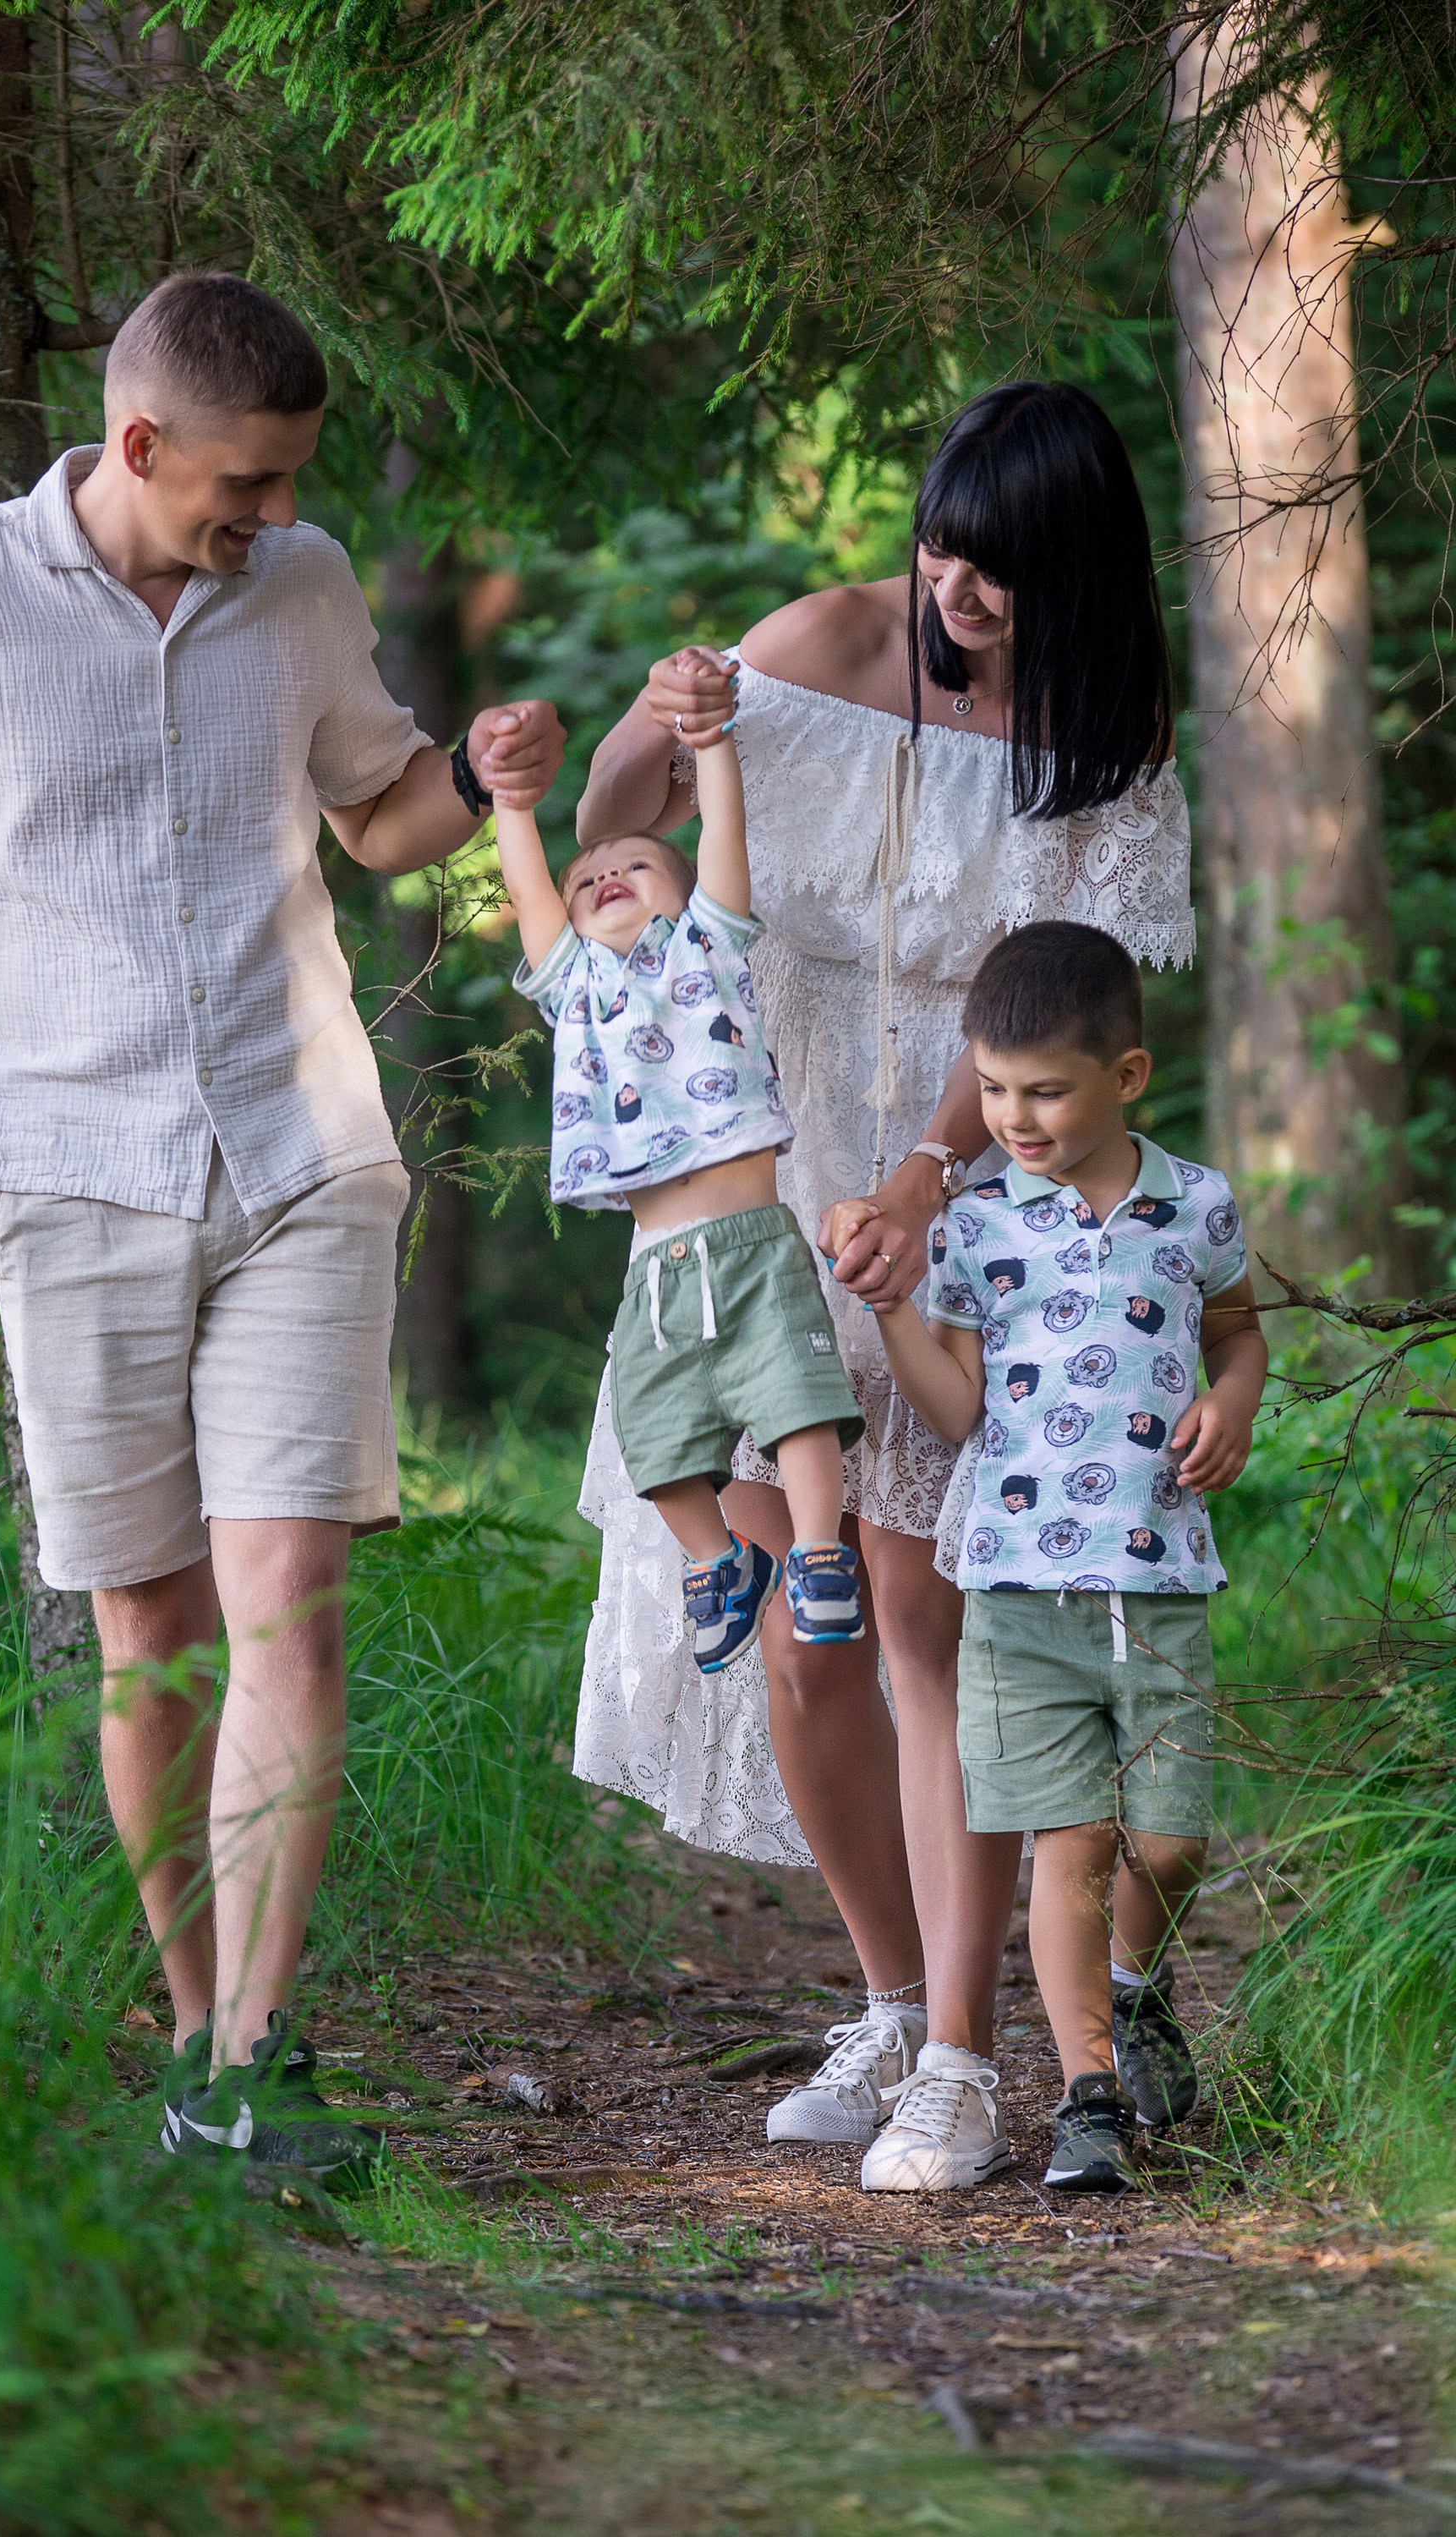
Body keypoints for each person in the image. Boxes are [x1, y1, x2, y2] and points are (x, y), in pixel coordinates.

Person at [0, 271, 565, 2171]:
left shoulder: (301, 585)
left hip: (302, 1157)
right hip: (73, 1167)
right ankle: (196, 2029)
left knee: (292, 1604)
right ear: (137, 445)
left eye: (291, 483)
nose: (274, 516)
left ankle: (256, 2062)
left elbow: (375, 818)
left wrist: (481, 776)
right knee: (156, 1634)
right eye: (245, 483)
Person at [572, 381, 1196, 2186]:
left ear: (1070, 574)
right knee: (792, 1616)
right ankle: (888, 1990)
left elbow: (1047, 990)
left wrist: (933, 1175)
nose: (954, 595)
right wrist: (655, 719)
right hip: (757, 1172)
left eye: (996, 575)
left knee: (922, 1618)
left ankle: (963, 2060)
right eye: (940, 552)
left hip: (965, 1176)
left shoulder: (1103, 723)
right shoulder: (816, 643)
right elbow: (628, 827)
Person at [822, 921, 1266, 2191]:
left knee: (1168, 1845)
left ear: (1125, 1078)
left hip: (1161, 1575)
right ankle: (1088, 2097)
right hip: (1017, 1591)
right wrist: (894, 1311)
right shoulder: (977, 1227)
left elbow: (1238, 1334)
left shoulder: (1198, 1204)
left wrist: (1233, 1399)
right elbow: (955, 1412)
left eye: (1046, 1092)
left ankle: (1138, 1988)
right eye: (996, 1089)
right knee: (1069, 1842)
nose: (1014, 1118)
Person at [496, 666, 867, 1666]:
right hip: (654, 1271)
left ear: (684, 893)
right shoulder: (571, 984)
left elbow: (720, 842)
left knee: (794, 1399)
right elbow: (530, 883)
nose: (603, 875)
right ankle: (721, 1560)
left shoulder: (707, 945)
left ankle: (820, 1553)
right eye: (587, 881)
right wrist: (509, 806)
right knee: (649, 1431)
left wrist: (711, 749)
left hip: (751, 1244)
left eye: (634, 867)